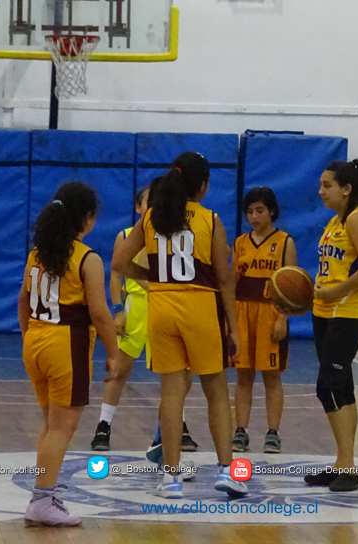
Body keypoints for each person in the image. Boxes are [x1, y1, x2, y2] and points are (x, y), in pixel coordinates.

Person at [112, 152, 246, 499]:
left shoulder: (152, 216)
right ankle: (226, 472)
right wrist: (232, 326)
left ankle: (171, 479)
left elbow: (119, 262)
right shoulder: (210, 219)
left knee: (172, 395)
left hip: (162, 307)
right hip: (199, 306)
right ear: (202, 186)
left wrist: (152, 278)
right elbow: (225, 279)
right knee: (215, 391)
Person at [18, 182, 122, 526]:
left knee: (51, 426)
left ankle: (43, 495)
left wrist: (30, 336)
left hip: (36, 339)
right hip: (66, 345)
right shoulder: (87, 258)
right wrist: (114, 352)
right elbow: (100, 312)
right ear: (87, 219)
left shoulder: (38, 253)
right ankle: (42, 500)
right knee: (62, 429)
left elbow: (22, 301)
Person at [91, 186, 198, 453]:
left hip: (166, 306)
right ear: (138, 207)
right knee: (121, 370)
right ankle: (104, 425)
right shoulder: (126, 236)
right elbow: (115, 276)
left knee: (173, 373)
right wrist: (118, 310)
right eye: (149, 201)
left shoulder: (175, 236)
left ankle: (175, 428)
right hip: (136, 306)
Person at [303, 159, 358, 493]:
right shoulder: (336, 221)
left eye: (327, 185)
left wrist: (334, 292)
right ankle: (342, 463)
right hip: (326, 312)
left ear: (347, 189)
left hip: (347, 313)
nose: (321, 191)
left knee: (328, 387)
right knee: (342, 387)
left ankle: (348, 466)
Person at [232, 187, 297, 454]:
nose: (254, 216)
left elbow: (292, 286)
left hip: (270, 312)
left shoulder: (284, 242)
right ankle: (240, 431)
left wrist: (283, 318)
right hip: (243, 312)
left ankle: (273, 433)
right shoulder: (240, 243)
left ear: (271, 211)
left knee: (271, 377)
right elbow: (232, 283)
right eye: (250, 211)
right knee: (243, 376)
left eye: (259, 210)